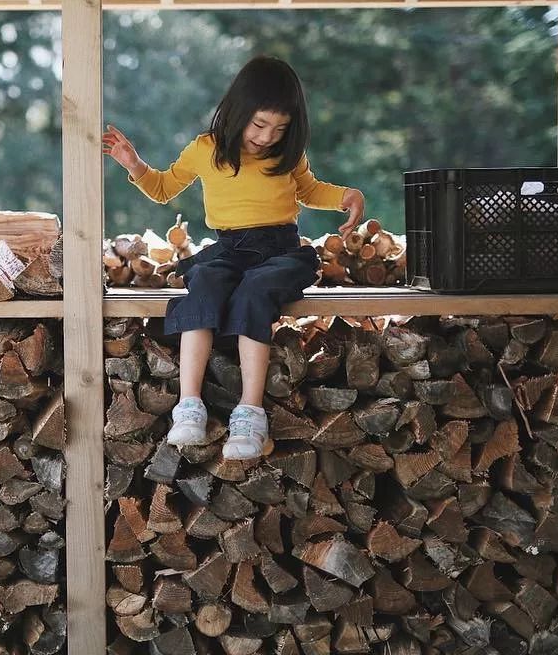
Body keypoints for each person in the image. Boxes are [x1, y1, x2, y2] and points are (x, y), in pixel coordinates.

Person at [102, 55, 364, 460]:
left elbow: (310, 191)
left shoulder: (288, 156)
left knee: (255, 292)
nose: (266, 136)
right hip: (228, 249)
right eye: (259, 124)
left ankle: (251, 413)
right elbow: (163, 188)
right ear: (238, 111)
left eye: (280, 129)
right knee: (203, 285)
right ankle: (188, 406)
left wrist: (346, 195)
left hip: (280, 250)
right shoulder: (205, 150)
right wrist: (134, 164)